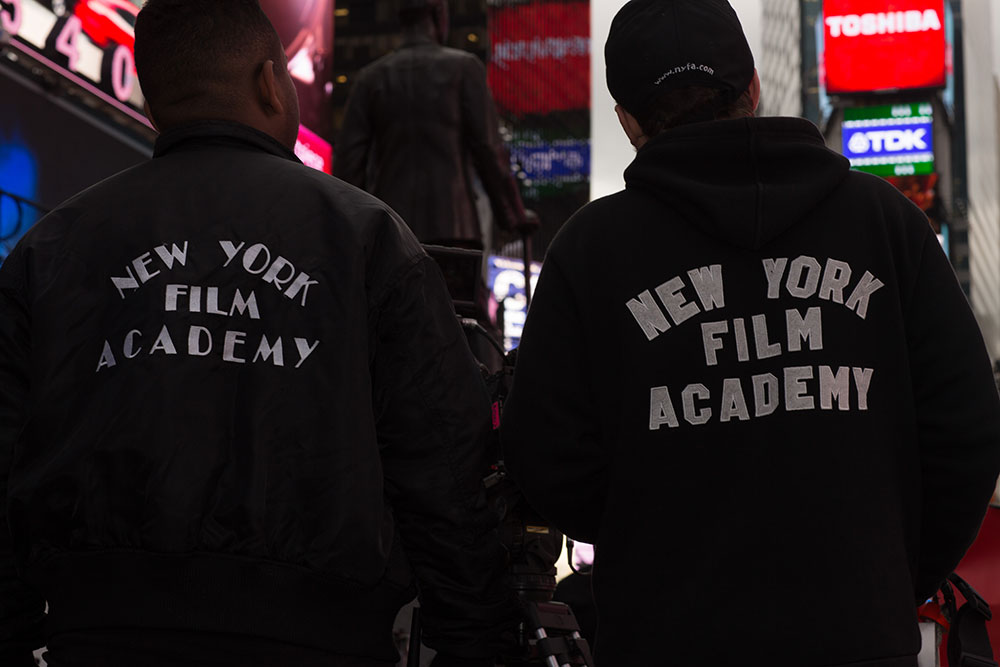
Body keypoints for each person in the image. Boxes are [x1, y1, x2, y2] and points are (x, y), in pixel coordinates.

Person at [0, 1, 516, 666]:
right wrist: (481, 641)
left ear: (154, 100)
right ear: (271, 82)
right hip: (321, 643)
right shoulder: (369, 241)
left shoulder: (51, 249)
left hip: (98, 638)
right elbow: (443, 472)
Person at [501, 0, 1000, 665]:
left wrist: (651, 535)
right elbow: (967, 434)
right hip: (858, 638)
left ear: (627, 120)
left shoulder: (589, 252)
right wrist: (887, 576)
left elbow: (545, 457)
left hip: (666, 639)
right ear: (755, 87)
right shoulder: (886, 225)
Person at [333, 0, 527, 250]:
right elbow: (489, 150)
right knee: (454, 290)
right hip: (455, 228)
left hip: (391, 231)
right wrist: (513, 217)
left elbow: (348, 166)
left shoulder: (370, 79)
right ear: (439, 14)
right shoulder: (464, 68)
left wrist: (355, 229)